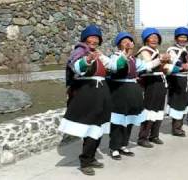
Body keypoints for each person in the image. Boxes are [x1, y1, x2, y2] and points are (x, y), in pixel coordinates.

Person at [58, 24, 125, 176]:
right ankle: (85, 161)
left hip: (101, 92)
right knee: (91, 127)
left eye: (96, 38)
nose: (94, 40)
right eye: (91, 37)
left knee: (99, 126)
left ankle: (92, 157)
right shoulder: (80, 51)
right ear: (85, 39)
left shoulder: (99, 53)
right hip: (88, 93)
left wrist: (124, 55)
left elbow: (114, 66)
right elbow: (77, 67)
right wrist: (87, 60)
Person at [108, 32, 157, 159]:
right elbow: (116, 67)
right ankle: (114, 147)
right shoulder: (115, 57)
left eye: (129, 42)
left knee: (129, 120)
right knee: (118, 121)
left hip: (133, 92)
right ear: (119, 45)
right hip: (119, 92)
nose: (128, 44)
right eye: (124, 42)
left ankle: (123, 145)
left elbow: (147, 65)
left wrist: (159, 60)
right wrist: (126, 54)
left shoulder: (134, 60)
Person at [136, 27, 177, 147]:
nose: (154, 39)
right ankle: (143, 137)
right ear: (146, 40)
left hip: (160, 82)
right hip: (151, 83)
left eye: (156, 37)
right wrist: (162, 61)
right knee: (149, 110)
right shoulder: (144, 51)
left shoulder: (158, 52)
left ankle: (154, 135)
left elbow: (163, 68)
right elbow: (148, 66)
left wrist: (169, 64)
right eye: (151, 37)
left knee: (159, 110)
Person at [166, 27, 188, 137]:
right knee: (178, 101)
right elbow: (173, 59)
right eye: (181, 37)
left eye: (185, 37)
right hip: (177, 78)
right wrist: (181, 65)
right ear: (176, 38)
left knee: (185, 101)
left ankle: (179, 126)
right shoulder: (171, 49)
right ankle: (176, 128)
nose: (183, 39)